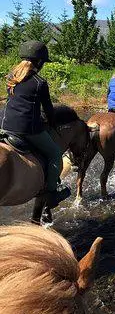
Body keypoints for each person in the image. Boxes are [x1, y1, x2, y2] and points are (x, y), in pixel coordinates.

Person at [0, 40, 70, 208]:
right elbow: (48, 110)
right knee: (54, 153)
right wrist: (51, 123)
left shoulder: (12, 76)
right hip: (25, 128)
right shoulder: (40, 82)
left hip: (4, 123)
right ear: (39, 62)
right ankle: (52, 194)